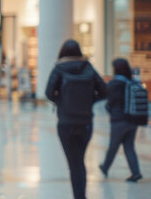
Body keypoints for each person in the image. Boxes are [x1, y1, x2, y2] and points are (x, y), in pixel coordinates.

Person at [45, 39, 107, 199]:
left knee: (75, 164)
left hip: (66, 124)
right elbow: (104, 91)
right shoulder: (88, 67)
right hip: (86, 123)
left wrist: (62, 102)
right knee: (78, 161)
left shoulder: (59, 68)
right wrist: (89, 101)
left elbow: (49, 93)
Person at [99, 58, 144, 182]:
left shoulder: (114, 84)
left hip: (119, 120)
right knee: (129, 146)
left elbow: (110, 102)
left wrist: (110, 110)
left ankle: (105, 167)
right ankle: (136, 172)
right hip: (133, 120)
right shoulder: (133, 82)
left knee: (113, 145)